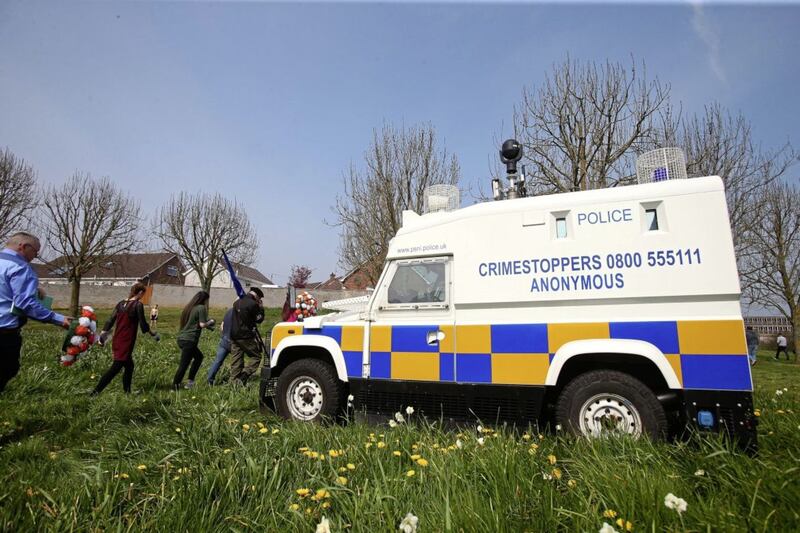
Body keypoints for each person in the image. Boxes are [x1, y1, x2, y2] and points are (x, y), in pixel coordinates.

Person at [0, 232, 70, 393]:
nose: (36, 256)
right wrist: (57, 318)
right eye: (35, 251)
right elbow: (25, 303)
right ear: (23, 247)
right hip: (4, 333)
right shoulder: (20, 268)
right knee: (8, 369)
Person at [92, 282, 159, 395]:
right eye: (143, 293)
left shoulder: (121, 303)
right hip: (127, 341)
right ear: (140, 292)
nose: (143, 296)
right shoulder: (137, 305)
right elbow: (143, 324)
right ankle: (95, 393)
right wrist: (153, 334)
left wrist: (102, 336)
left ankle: (127, 393)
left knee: (129, 366)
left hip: (117, 339)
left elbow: (110, 320)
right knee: (115, 368)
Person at [173, 291, 214, 389]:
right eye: (207, 300)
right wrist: (211, 322)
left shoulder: (189, 307)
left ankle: (190, 382)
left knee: (199, 357)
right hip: (189, 340)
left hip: (182, 338)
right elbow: (202, 324)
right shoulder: (201, 308)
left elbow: (197, 323)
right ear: (204, 299)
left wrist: (210, 328)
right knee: (184, 365)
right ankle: (175, 387)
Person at [230, 287, 265, 385]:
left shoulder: (237, 302)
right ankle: (244, 376)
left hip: (234, 334)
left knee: (236, 358)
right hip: (245, 335)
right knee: (256, 356)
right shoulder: (252, 304)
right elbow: (259, 319)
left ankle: (233, 382)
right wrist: (261, 308)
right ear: (257, 297)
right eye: (259, 299)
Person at [206, 307, 234, 385]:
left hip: (224, 340)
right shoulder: (241, 313)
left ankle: (209, 380)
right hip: (234, 342)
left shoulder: (229, 311)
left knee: (218, 361)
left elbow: (222, 326)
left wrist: (224, 336)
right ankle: (235, 382)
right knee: (237, 362)